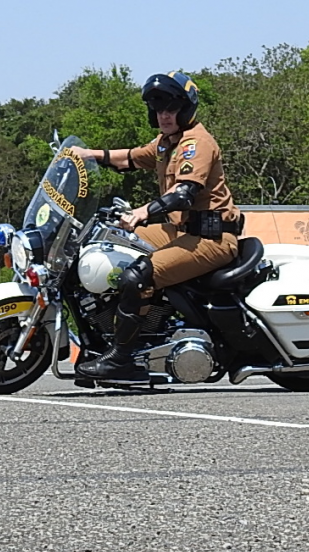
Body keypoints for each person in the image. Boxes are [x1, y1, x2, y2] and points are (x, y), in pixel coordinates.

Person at [70, 71, 242, 382]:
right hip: (181, 231)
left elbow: (184, 193)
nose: (163, 115)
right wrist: (86, 155)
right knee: (108, 242)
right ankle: (101, 344)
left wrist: (142, 211)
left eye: (170, 108)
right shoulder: (166, 143)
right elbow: (131, 158)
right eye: (158, 108)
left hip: (211, 238)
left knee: (139, 275)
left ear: (185, 108)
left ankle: (121, 360)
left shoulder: (196, 143)